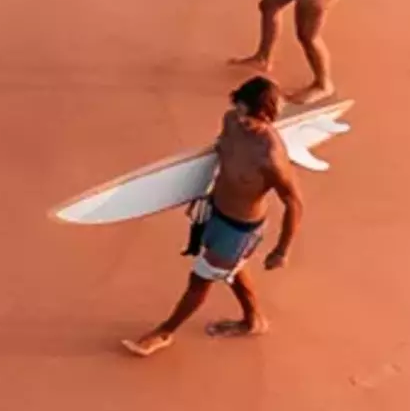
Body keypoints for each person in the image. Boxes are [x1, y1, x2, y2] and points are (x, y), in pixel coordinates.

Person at [121, 76, 303, 353]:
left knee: (200, 279)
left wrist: (282, 250)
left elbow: (294, 203)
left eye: (249, 118)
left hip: (240, 229)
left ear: (266, 116)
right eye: (239, 111)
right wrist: (198, 192)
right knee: (233, 267)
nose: (241, 121)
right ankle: (254, 320)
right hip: (215, 212)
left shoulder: (271, 157)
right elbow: (217, 157)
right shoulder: (231, 121)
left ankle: (164, 332)